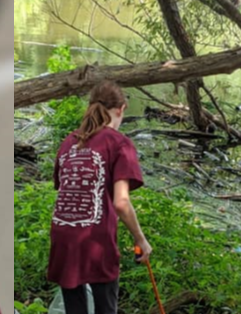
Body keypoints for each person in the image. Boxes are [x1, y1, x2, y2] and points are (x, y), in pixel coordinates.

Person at [47, 80, 151, 314]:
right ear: (121, 108)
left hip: (63, 235)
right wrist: (141, 240)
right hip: (95, 240)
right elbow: (121, 203)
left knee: (75, 310)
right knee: (105, 308)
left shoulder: (68, 142)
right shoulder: (119, 143)